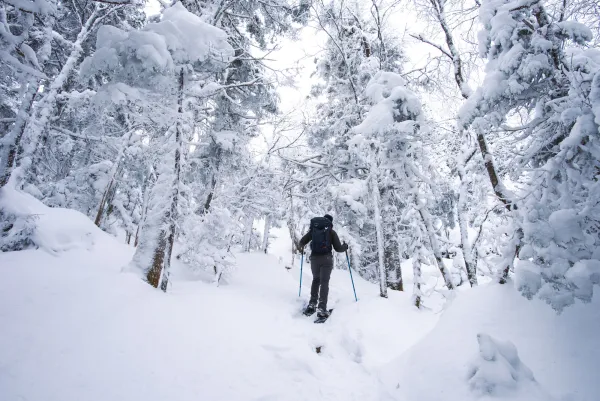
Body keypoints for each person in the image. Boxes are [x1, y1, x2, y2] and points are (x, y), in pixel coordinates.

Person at [297, 214, 348, 318]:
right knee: (324, 282)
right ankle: (321, 309)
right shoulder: (331, 232)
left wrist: (301, 249)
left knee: (316, 280)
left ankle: (312, 304)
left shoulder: (314, 230)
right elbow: (338, 248)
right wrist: (345, 246)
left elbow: (302, 241)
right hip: (326, 259)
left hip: (314, 259)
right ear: (330, 223)